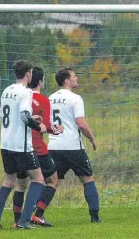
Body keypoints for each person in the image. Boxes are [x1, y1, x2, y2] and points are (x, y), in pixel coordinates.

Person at [0, 60, 47, 230]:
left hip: (6, 143)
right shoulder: (26, 92)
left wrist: (31, 118)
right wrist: (39, 126)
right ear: (28, 73)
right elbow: (24, 117)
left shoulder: (7, 90)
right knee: (39, 179)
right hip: (21, 146)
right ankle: (23, 221)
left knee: (8, 181)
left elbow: (11, 115)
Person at [13, 67, 64, 228]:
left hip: (19, 146)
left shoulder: (20, 96)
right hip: (37, 147)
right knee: (52, 180)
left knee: (21, 184)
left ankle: (17, 220)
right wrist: (58, 129)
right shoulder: (42, 100)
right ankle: (37, 216)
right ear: (41, 81)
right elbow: (46, 126)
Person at [48, 68, 100, 223]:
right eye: (73, 76)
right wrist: (91, 138)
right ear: (66, 80)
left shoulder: (50, 98)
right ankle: (95, 217)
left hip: (54, 146)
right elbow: (81, 124)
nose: (76, 77)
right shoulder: (75, 98)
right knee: (87, 179)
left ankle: (37, 214)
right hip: (73, 147)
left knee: (50, 182)